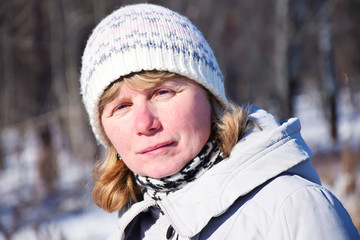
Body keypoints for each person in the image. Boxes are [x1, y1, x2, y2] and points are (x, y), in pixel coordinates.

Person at [80, 3, 359, 240]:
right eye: (122, 106)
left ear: (210, 97)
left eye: (162, 92)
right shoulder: (133, 230)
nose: (144, 123)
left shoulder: (294, 210)